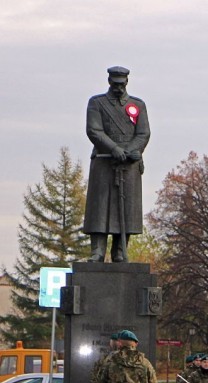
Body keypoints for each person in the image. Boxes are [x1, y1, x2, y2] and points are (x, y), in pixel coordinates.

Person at [84, 66, 150, 262]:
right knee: (100, 207)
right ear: (109, 82)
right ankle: (97, 251)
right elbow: (94, 130)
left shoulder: (138, 105)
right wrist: (114, 149)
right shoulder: (97, 103)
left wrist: (130, 150)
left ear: (126, 83)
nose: (118, 88)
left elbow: (143, 133)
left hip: (129, 164)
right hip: (104, 162)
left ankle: (120, 251)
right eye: (115, 84)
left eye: (121, 84)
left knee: (127, 208)